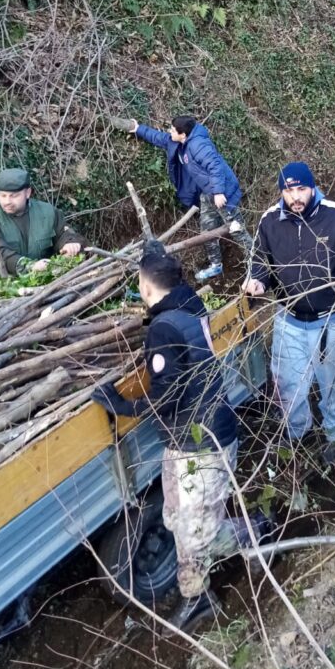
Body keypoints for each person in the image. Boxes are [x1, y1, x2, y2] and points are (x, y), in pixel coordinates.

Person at [93, 247, 269, 630]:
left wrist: (122, 406)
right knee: (176, 520)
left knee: (198, 532)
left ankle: (250, 537)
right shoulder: (187, 306)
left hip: (201, 443)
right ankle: (200, 589)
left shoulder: (164, 328)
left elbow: (168, 396)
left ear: (145, 287)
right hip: (186, 439)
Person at [243, 162, 335, 463]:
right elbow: (259, 263)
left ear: (313, 188)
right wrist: (257, 282)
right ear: (281, 192)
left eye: (302, 189)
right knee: (289, 387)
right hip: (289, 320)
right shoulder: (269, 221)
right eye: (289, 191)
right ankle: (297, 434)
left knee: (333, 387)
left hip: (332, 321)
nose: (296, 197)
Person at [112, 114, 251, 281]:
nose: (169, 131)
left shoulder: (198, 145)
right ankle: (216, 265)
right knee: (207, 231)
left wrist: (219, 192)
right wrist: (138, 128)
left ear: (183, 134)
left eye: (172, 130)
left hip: (223, 193)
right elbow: (160, 138)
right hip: (207, 193)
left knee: (237, 229)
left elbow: (215, 166)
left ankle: (258, 265)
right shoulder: (177, 141)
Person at [0, 168, 84, 281]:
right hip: (4, 286)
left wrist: (69, 244)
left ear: (27, 193)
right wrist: (29, 266)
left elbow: (64, 234)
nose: (7, 202)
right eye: (3, 195)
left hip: (43, 282)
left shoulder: (48, 212)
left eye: (14, 196)